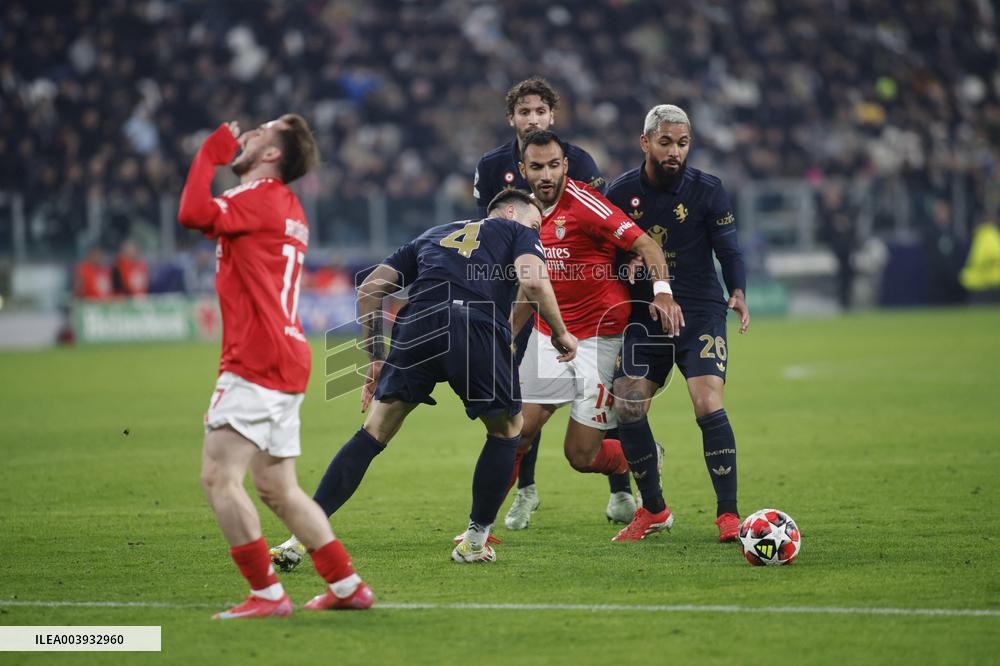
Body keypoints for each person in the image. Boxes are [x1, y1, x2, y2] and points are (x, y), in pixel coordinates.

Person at [270, 188, 576, 568]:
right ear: (510, 212)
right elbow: (532, 281)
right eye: (535, 224)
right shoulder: (517, 231)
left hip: (418, 322)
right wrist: (561, 331)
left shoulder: (433, 234)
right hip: (474, 323)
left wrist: (376, 359)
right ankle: (475, 542)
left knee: (375, 430)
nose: (537, 232)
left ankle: (300, 537)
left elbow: (369, 289)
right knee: (508, 429)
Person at [178, 115, 374, 618]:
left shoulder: (256, 197)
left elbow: (193, 213)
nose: (245, 135)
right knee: (278, 488)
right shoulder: (287, 207)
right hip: (287, 352)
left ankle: (266, 594)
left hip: (256, 354)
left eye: (259, 133)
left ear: (271, 156)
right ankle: (347, 585)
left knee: (219, 477)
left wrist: (207, 154)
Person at [473, 76, 633, 529]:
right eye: (524, 112)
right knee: (521, 402)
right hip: (520, 289)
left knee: (606, 397)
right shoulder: (490, 166)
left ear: (552, 117)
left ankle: (623, 485)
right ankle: (524, 491)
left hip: (580, 297)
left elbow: (602, 223)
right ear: (512, 118)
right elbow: (485, 227)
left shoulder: (578, 159)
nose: (532, 118)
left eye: (540, 111)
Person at [506, 129, 681, 536]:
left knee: (580, 455)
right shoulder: (523, 217)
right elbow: (528, 287)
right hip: (550, 337)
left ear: (565, 165)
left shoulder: (585, 204)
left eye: (554, 165)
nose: (546, 174)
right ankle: (481, 528)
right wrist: (506, 335)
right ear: (522, 171)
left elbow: (649, 247)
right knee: (516, 432)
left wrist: (663, 293)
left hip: (601, 339)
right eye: (537, 167)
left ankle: (642, 457)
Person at [604, 104, 749, 543]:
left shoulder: (708, 190)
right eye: (666, 142)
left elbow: (729, 248)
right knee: (626, 405)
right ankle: (654, 509)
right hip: (645, 314)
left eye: (682, 143)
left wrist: (738, 290)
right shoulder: (620, 192)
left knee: (707, 403)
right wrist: (623, 263)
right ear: (645, 142)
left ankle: (728, 515)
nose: (674, 151)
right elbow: (606, 252)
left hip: (700, 308)